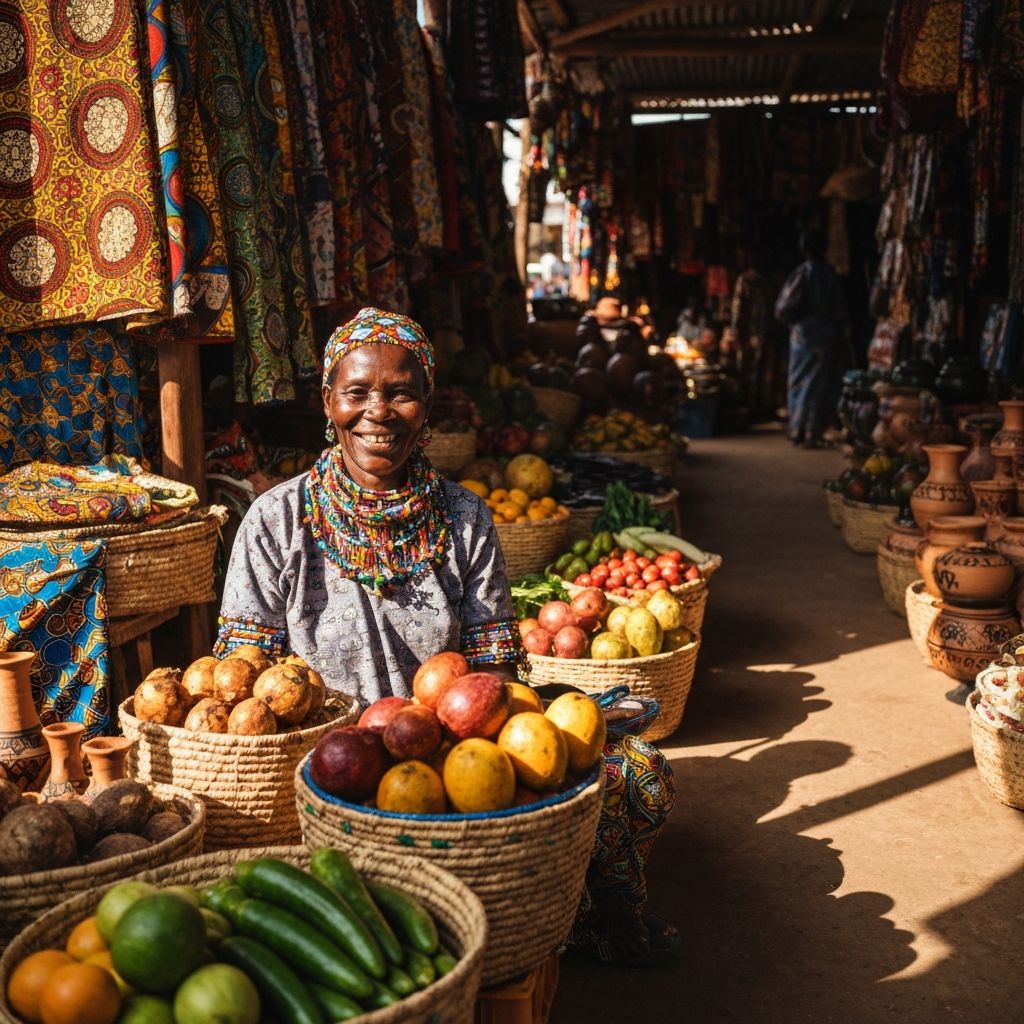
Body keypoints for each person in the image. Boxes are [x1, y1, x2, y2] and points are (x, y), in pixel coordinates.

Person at [216, 306, 679, 966]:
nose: (378, 412)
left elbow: (498, 669)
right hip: (329, 766)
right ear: (327, 402)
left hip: (449, 756)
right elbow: (241, 681)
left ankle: (586, 915)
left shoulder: (464, 517)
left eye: (400, 393)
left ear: (427, 406)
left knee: (637, 773)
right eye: (357, 392)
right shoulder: (276, 520)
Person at [775, 229, 850, 448]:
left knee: (799, 382)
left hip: (802, 336)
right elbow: (841, 309)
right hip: (826, 335)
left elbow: (783, 309)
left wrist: (796, 322)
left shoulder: (802, 273)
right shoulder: (829, 274)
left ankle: (797, 429)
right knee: (819, 384)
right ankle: (812, 432)